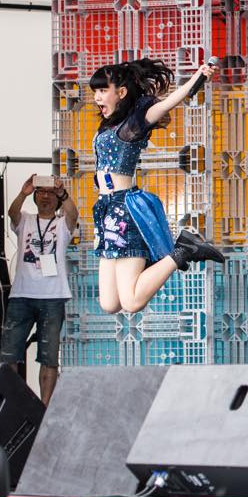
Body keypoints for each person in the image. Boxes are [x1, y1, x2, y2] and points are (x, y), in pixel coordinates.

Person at [89, 59, 226, 314]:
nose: (97, 97)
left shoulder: (133, 125)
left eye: (103, 90)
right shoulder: (107, 126)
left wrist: (198, 76)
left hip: (124, 211)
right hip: (105, 210)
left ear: (121, 92)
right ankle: (179, 251)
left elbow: (167, 103)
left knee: (131, 302)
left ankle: (183, 250)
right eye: (95, 91)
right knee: (109, 303)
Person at [1, 175, 76, 406]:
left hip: (53, 297)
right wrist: (23, 192)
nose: (46, 196)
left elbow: (73, 214)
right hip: (21, 296)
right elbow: (12, 213)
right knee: (9, 355)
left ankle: (44, 408)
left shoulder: (62, 224)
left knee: (49, 357)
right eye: (41, 192)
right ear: (35, 196)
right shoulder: (25, 220)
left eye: (50, 192)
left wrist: (63, 193)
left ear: (57, 198)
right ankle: (13, 405)